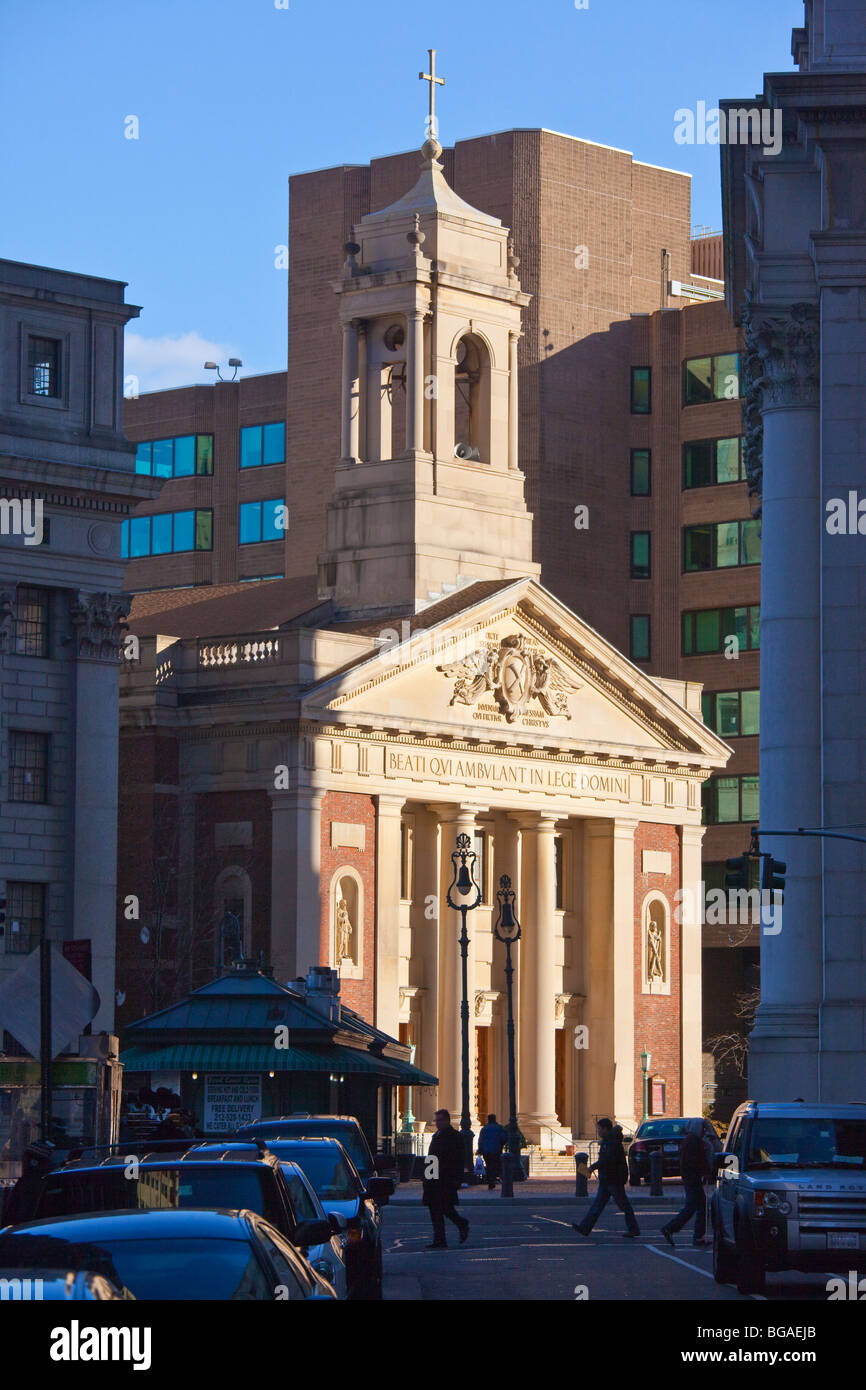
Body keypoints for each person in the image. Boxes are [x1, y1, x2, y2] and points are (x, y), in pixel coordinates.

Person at [573, 1118, 640, 1239]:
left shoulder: (611, 1142)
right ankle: (585, 1227)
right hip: (608, 1178)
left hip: (613, 1178)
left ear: (605, 1129)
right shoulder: (609, 1141)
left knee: (623, 1205)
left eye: (599, 1129)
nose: (598, 1131)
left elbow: (607, 1160)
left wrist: (592, 1168)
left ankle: (633, 1228)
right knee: (598, 1205)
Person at [423, 1109, 469, 1249]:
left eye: (440, 1120)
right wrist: (427, 1177)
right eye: (436, 1120)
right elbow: (431, 1157)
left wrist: (457, 1178)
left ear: (447, 1120)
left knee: (445, 1208)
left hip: (446, 1178)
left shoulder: (454, 1136)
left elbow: (459, 1159)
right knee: (435, 1209)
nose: (437, 1123)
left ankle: (461, 1224)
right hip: (433, 1178)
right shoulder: (437, 1135)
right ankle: (440, 1239)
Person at [661, 1117, 711, 1246]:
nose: (704, 1131)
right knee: (696, 1206)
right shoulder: (694, 1141)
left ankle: (691, 1233)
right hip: (693, 1177)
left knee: (697, 1206)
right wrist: (704, 1171)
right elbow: (696, 1160)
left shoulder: (691, 1139)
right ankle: (673, 1228)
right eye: (703, 1128)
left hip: (690, 1177)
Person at [477, 1113, 507, 1190]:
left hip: (486, 1151)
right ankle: (494, 1179)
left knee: (489, 1166)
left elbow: (480, 1140)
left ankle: (491, 1182)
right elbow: (503, 1138)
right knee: (496, 1165)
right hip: (496, 1150)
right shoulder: (499, 1128)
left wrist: (480, 1149)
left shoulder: (484, 1129)